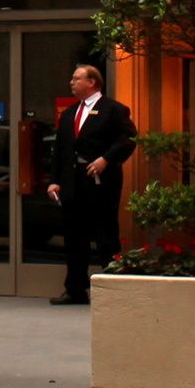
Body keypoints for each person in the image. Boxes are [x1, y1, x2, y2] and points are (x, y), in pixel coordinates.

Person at [48, 61, 134, 304]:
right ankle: (75, 289)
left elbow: (128, 139)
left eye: (77, 78)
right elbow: (60, 150)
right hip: (72, 184)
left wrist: (106, 159)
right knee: (74, 237)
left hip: (100, 183)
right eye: (72, 78)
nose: (71, 82)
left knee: (105, 233)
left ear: (92, 82)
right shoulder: (69, 114)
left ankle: (112, 289)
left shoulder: (113, 110)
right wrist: (55, 180)